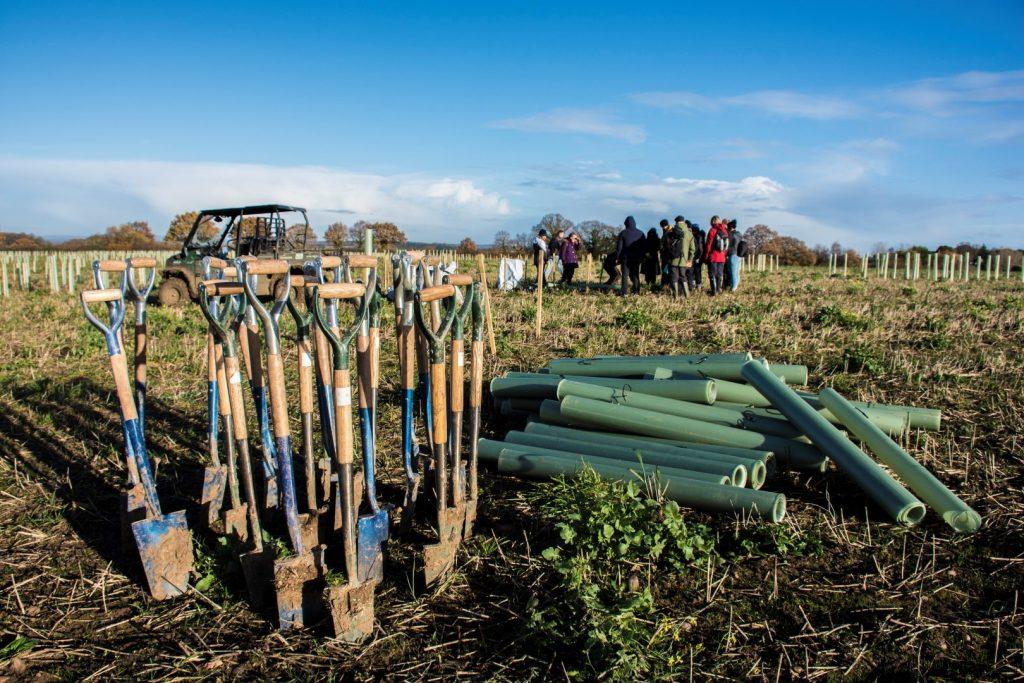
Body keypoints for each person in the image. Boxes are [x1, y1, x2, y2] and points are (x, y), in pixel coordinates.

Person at [665, 215, 695, 298]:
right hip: (684, 260)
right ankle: (687, 295)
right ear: (684, 222)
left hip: (673, 259)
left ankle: (675, 297)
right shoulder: (689, 233)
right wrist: (690, 260)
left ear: (676, 222)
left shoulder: (671, 232)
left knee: (674, 278)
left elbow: (665, 246)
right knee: (683, 277)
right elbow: (692, 249)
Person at [615, 216, 646, 296]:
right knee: (636, 275)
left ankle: (624, 293)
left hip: (626, 258)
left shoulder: (623, 233)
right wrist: (642, 257)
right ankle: (636, 292)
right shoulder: (641, 233)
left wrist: (617, 258)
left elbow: (619, 248)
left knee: (625, 276)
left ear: (626, 224)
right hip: (637, 258)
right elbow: (644, 247)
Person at [704, 216, 729, 295]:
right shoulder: (725, 230)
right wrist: (724, 255)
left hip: (713, 256)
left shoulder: (712, 230)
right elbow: (726, 245)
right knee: (720, 274)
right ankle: (719, 289)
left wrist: (706, 256)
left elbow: (709, 245)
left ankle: (714, 291)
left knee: (712, 275)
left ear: (713, 221)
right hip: (722, 257)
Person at [724, 219, 743, 291]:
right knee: (737, 272)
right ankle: (735, 286)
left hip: (732, 254)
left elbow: (728, 246)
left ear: (730, 227)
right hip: (738, 255)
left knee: (732, 272)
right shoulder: (739, 234)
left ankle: (733, 289)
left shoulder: (730, 235)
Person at [686, 222, 704, 292]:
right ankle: (697, 286)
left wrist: (697, 257)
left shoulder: (697, 237)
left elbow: (700, 248)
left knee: (695, 272)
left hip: (696, 257)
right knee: (695, 272)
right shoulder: (699, 236)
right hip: (697, 257)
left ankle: (696, 286)